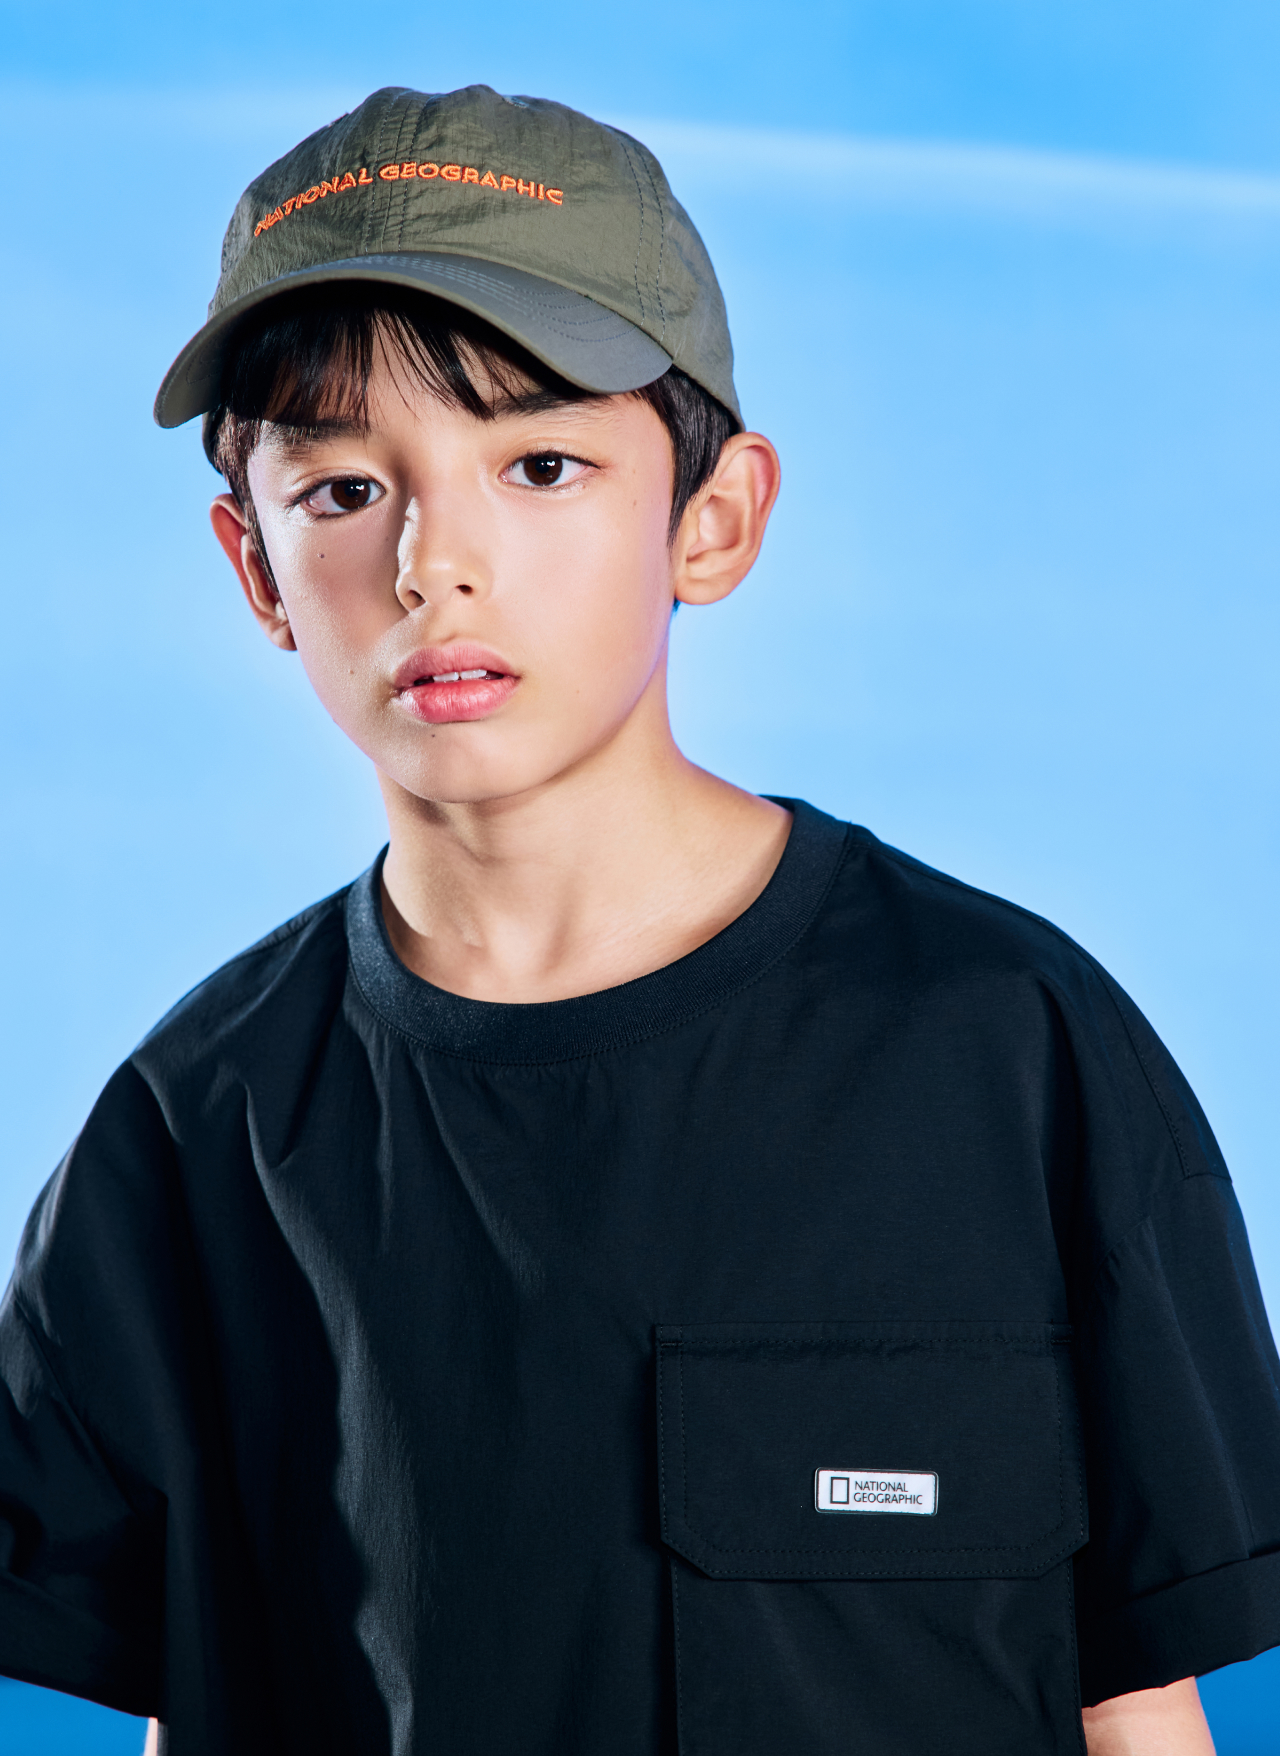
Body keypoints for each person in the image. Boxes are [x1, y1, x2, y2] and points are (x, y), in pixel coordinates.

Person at [1, 83, 1278, 1756]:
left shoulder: (1014, 1054)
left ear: (713, 517)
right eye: (343, 490)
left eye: (540, 465)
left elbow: (1139, 1698)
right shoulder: (197, 1136)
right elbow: (189, 1693)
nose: (433, 565)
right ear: (255, 570)